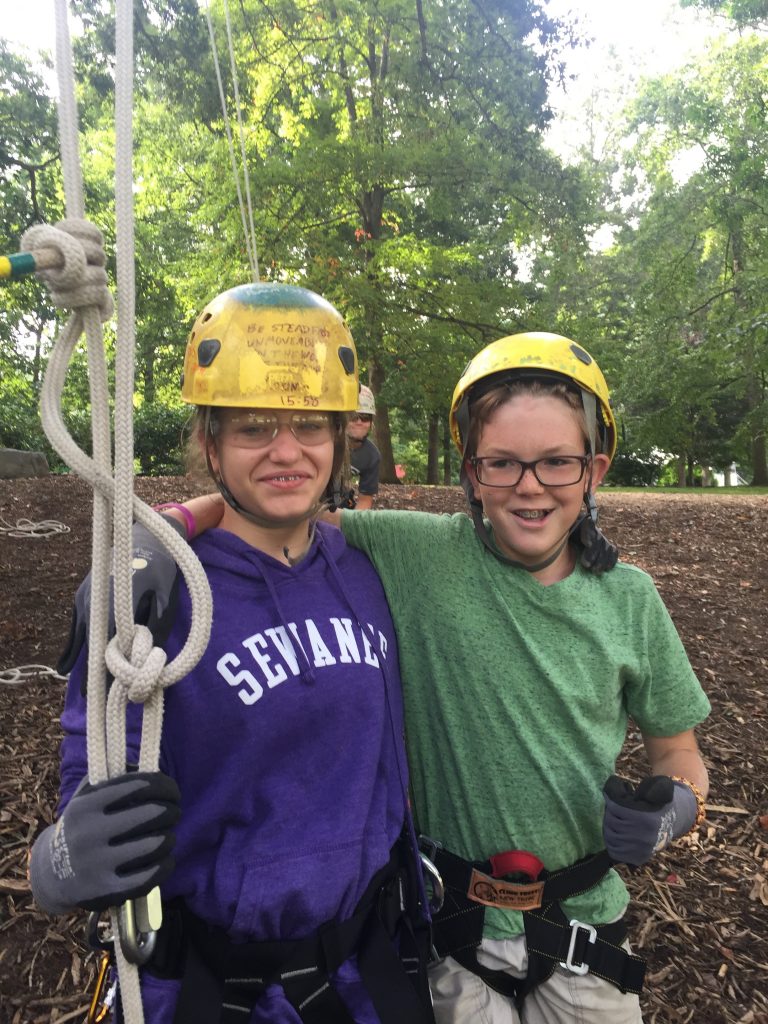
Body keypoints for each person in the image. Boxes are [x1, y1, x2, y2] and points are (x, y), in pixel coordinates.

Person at [86, 332, 712, 1023]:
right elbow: (282, 504)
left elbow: (678, 752)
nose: (529, 485)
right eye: (502, 463)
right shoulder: (416, 551)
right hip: (452, 933)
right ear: (473, 474)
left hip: (584, 931)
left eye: (557, 463)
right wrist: (158, 534)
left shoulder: (632, 600)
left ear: (593, 470)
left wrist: (672, 808)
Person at [28, 283, 435, 1024]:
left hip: (367, 973)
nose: (288, 453)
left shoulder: (365, 572)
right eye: (254, 429)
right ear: (210, 444)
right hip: (215, 994)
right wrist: (60, 865)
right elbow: (94, 783)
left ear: (343, 439)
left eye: (311, 427)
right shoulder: (157, 600)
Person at [347, 385, 380, 510]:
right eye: (353, 416)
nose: (359, 422)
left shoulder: (372, 456)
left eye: (365, 417)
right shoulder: (325, 443)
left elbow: (364, 502)